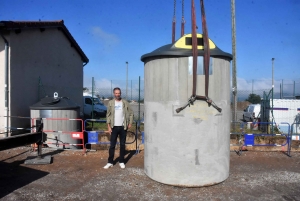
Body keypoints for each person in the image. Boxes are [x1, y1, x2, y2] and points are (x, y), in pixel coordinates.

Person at [103, 87, 133, 169]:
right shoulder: (111, 103)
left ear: (120, 93)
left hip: (123, 127)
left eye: (118, 93)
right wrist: (109, 127)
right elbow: (108, 115)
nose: (117, 94)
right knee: (112, 145)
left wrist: (130, 123)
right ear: (114, 94)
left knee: (122, 145)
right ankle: (110, 162)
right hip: (114, 127)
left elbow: (131, 113)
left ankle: (121, 161)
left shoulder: (125, 103)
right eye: (116, 93)